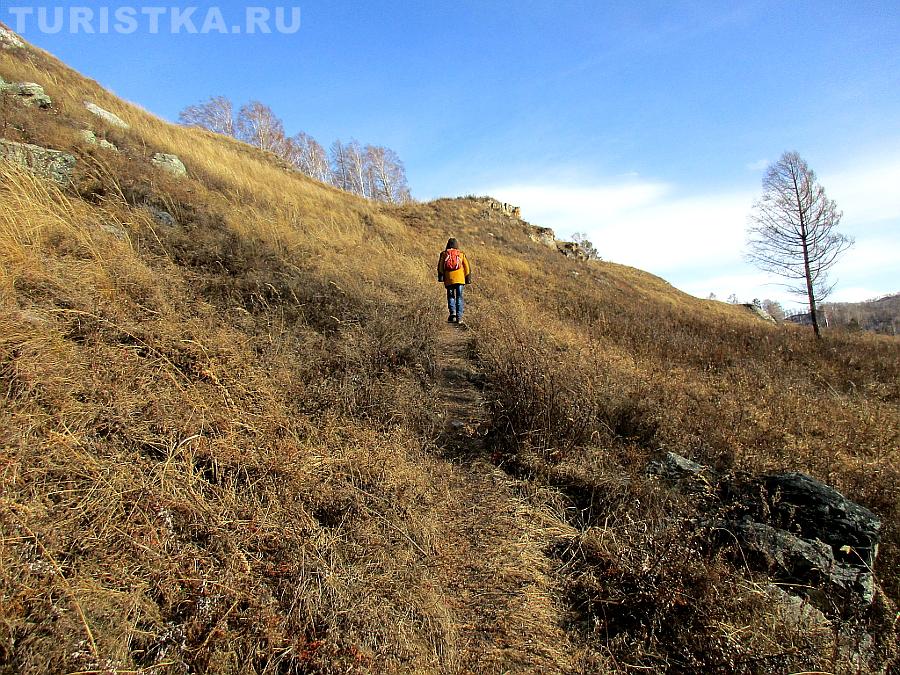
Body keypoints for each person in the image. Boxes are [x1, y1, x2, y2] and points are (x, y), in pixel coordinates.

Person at [437, 237, 471, 323]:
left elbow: (440, 267)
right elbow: (467, 268)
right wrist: (468, 279)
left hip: (449, 279)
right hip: (460, 279)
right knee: (459, 297)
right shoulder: (461, 254)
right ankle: (459, 317)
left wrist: (441, 277)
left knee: (451, 296)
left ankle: (453, 314)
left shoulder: (444, 254)